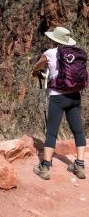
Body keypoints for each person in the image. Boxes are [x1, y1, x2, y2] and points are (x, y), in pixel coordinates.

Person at [31, 27, 86, 180]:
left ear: (55, 39)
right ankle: (79, 165)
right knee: (79, 132)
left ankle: (45, 167)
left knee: (51, 132)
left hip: (58, 98)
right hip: (75, 96)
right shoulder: (75, 54)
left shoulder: (49, 53)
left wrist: (35, 71)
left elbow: (38, 66)